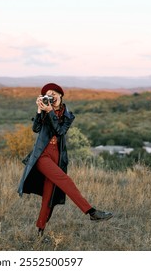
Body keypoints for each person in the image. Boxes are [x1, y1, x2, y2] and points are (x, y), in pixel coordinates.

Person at [18, 83, 113, 236]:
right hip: (42, 155)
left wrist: (50, 112)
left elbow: (60, 130)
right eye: (48, 94)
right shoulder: (44, 111)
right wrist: (40, 110)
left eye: (54, 93)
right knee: (65, 180)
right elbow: (35, 129)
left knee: (49, 198)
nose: (51, 95)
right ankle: (91, 212)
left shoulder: (68, 115)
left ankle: (40, 233)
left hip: (57, 157)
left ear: (60, 95)